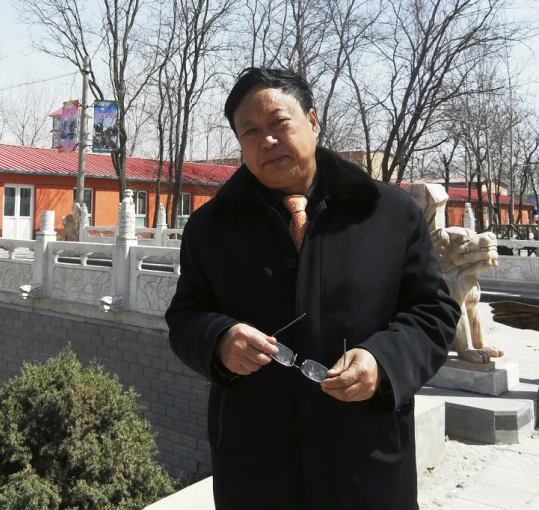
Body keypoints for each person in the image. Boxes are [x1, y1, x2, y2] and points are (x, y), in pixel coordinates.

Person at [165, 67, 460, 510]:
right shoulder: (211, 227)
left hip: (365, 463)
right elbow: (185, 316)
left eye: (279, 123)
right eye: (250, 131)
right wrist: (219, 339)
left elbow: (434, 312)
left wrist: (383, 361)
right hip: (257, 469)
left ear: (312, 121)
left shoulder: (390, 213)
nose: (267, 140)